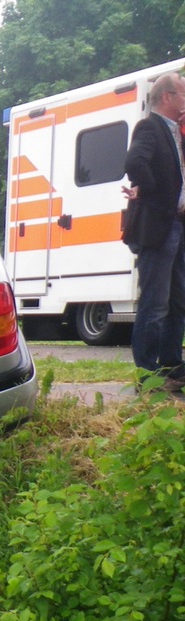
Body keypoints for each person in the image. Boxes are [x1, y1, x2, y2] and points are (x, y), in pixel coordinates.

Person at [122, 71, 185, 392]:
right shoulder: (150, 127)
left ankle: (173, 364)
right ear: (168, 97)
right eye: (184, 94)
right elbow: (134, 162)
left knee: (177, 301)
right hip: (161, 227)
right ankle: (148, 373)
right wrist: (157, 196)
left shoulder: (176, 133)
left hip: (178, 228)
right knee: (156, 303)